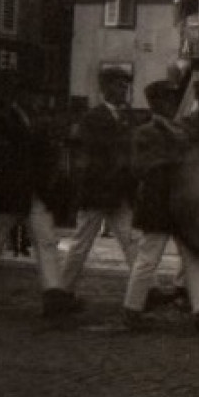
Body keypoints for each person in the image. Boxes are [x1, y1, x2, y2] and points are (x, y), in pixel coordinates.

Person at [121, 79, 199, 331]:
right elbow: (139, 167)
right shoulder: (145, 132)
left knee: (191, 255)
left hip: (178, 201)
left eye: (173, 99)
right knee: (149, 257)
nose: (171, 104)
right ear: (155, 103)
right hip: (157, 201)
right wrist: (172, 157)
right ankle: (132, 309)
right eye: (166, 100)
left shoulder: (180, 129)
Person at [0, 100, 78, 318]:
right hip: (9, 190)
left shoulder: (23, 117)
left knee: (44, 240)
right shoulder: (5, 118)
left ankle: (52, 294)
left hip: (32, 190)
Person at [60, 67, 138, 296]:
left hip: (118, 192)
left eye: (125, 85)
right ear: (105, 88)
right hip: (96, 192)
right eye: (119, 85)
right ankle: (62, 292)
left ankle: (146, 289)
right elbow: (87, 157)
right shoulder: (92, 118)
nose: (124, 89)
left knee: (132, 241)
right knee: (81, 244)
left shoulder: (127, 116)